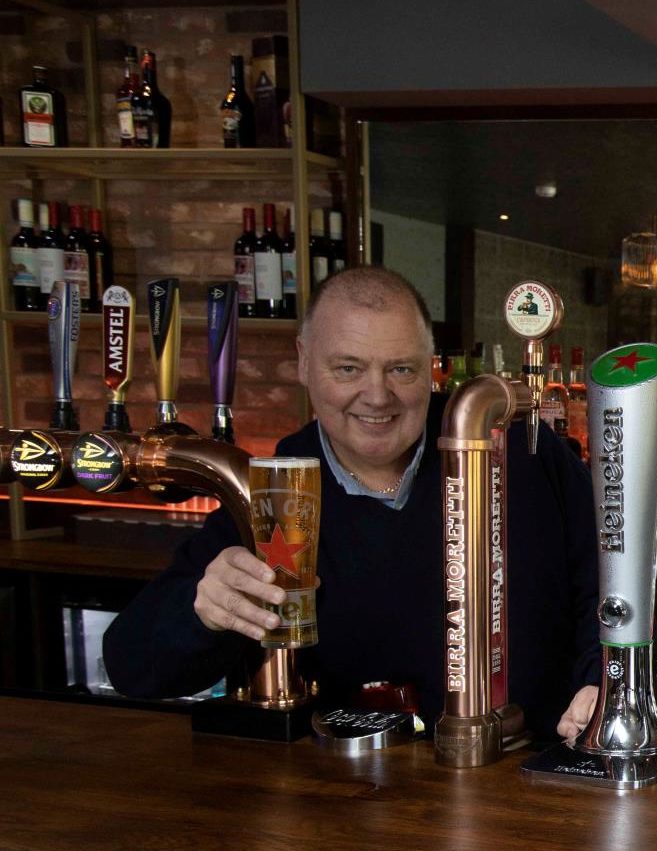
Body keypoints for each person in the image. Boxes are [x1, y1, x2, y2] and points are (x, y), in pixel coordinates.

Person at [105, 266, 604, 741]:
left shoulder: (522, 452)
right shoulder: (277, 488)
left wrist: (600, 684)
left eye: (401, 369)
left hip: (530, 782)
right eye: (348, 368)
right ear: (304, 361)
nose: (377, 395)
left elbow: (607, 590)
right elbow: (131, 666)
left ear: (431, 367)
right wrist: (205, 613)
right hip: (348, 798)